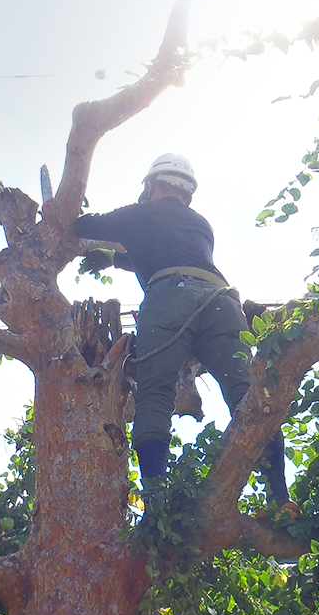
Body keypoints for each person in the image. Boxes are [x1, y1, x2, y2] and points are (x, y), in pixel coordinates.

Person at [74, 153, 297, 514]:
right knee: (247, 395)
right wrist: (112, 259)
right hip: (222, 301)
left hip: (169, 298)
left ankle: (157, 508)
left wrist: (58, 209)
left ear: (150, 186)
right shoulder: (200, 224)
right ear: (187, 193)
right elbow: (159, 247)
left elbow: (83, 225)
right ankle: (281, 498)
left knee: (155, 396)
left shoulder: (140, 213)